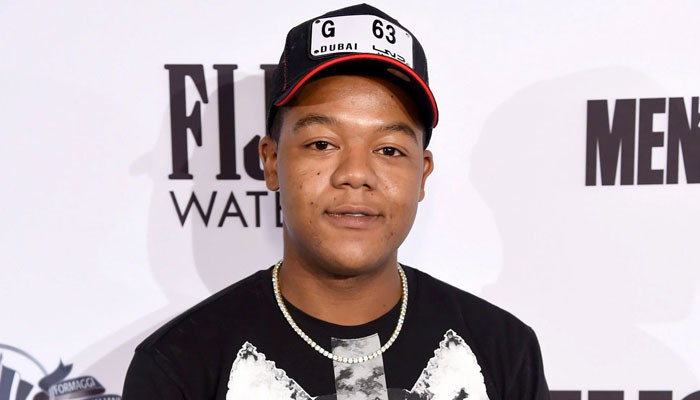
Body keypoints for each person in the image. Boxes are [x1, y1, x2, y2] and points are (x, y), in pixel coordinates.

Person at [122, 3, 550, 399]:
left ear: (422, 174)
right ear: (271, 162)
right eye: (322, 144)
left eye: (389, 149)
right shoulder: (179, 366)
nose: (356, 174)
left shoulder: (503, 350)